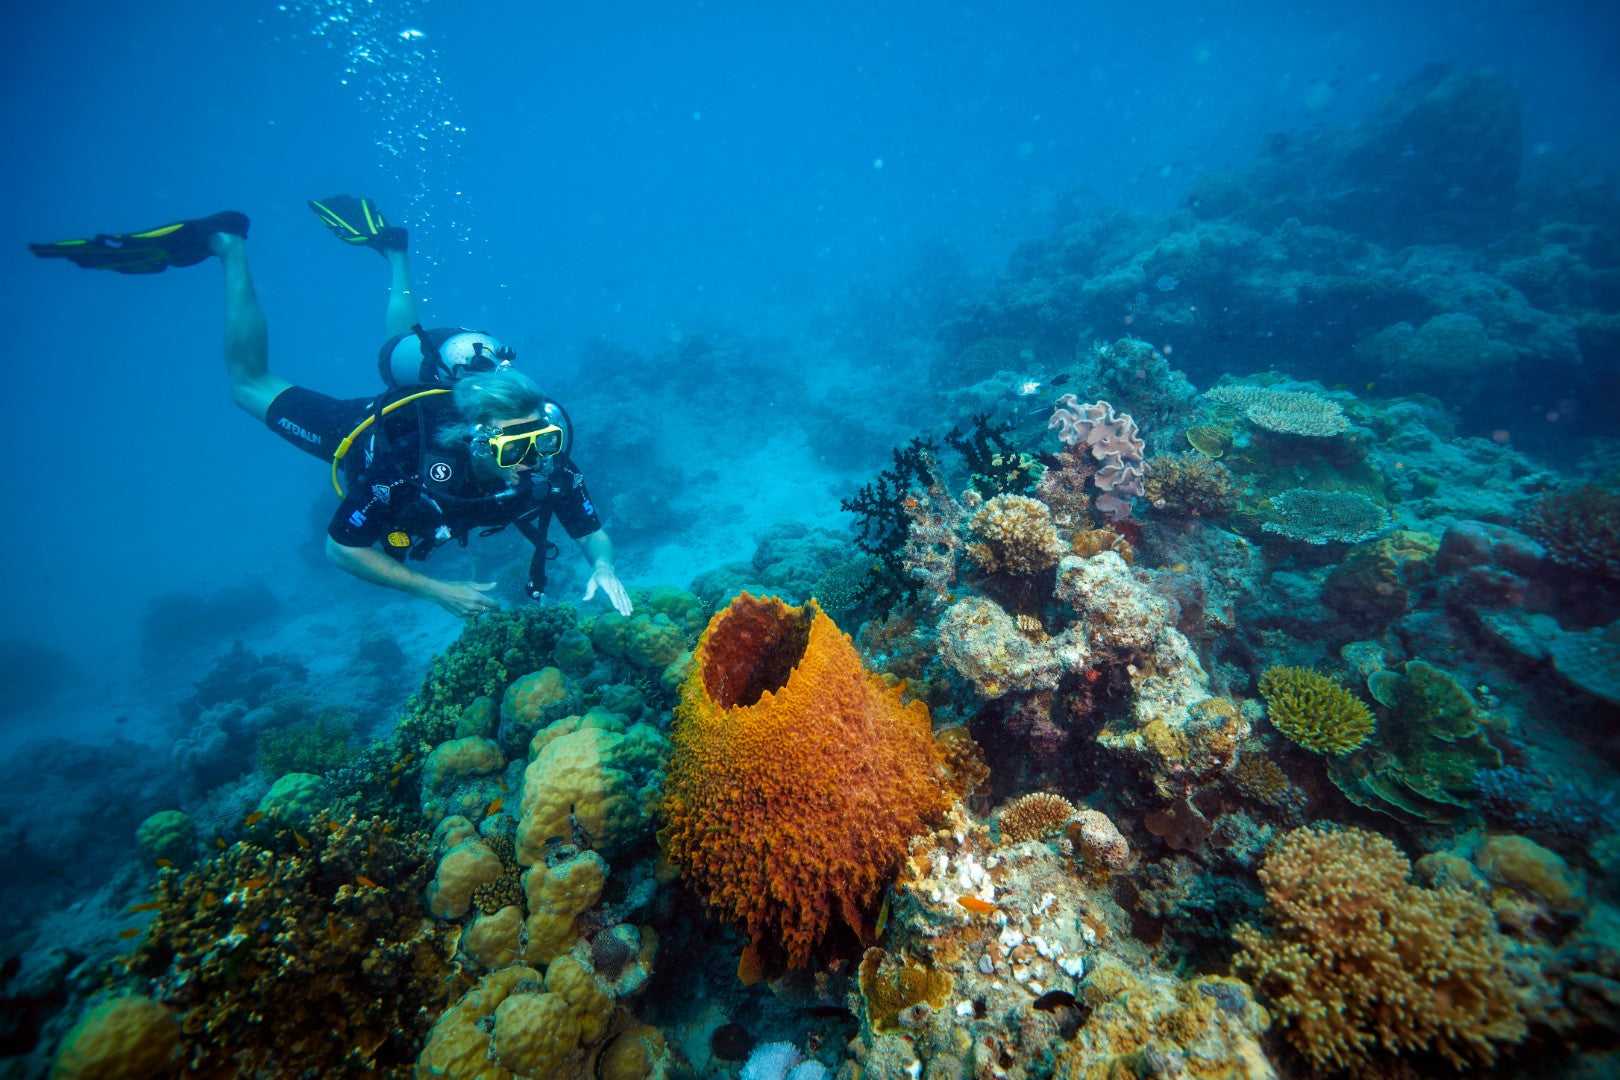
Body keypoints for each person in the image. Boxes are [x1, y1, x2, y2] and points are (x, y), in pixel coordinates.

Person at [30, 196, 633, 618]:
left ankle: (395, 254)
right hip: (360, 425)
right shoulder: (408, 463)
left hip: (432, 393)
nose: (533, 461)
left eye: (542, 442)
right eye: (514, 448)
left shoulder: (545, 459)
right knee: (248, 384)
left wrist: (603, 566)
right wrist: (434, 591)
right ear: (473, 441)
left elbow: (590, 528)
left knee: (396, 351)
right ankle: (227, 244)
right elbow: (341, 548)